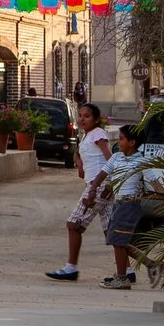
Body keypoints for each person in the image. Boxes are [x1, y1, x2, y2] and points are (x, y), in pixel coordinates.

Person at [47, 102, 114, 282]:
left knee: (73, 224)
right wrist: (79, 163)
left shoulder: (98, 134)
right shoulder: (85, 136)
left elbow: (110, 160)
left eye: (87, 116)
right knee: (112, 233)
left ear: (96, 119)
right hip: (97, 186)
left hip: (97, 187)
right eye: (80, 115)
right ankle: (133, 269)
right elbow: (79, 153)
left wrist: (105, 185)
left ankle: (71, 268)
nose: (82, 119)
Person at [100, 123, 149, 289]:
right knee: (118, 241)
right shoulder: (117, 157)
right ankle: (150, 264)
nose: (118, 142)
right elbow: (107, 176)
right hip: (118, 203)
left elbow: (153, 182)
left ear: (132, 142)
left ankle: (122, 278)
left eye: (121, 139)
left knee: (118, 240)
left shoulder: (142, 161)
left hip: (129, 204)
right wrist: (97, 190)